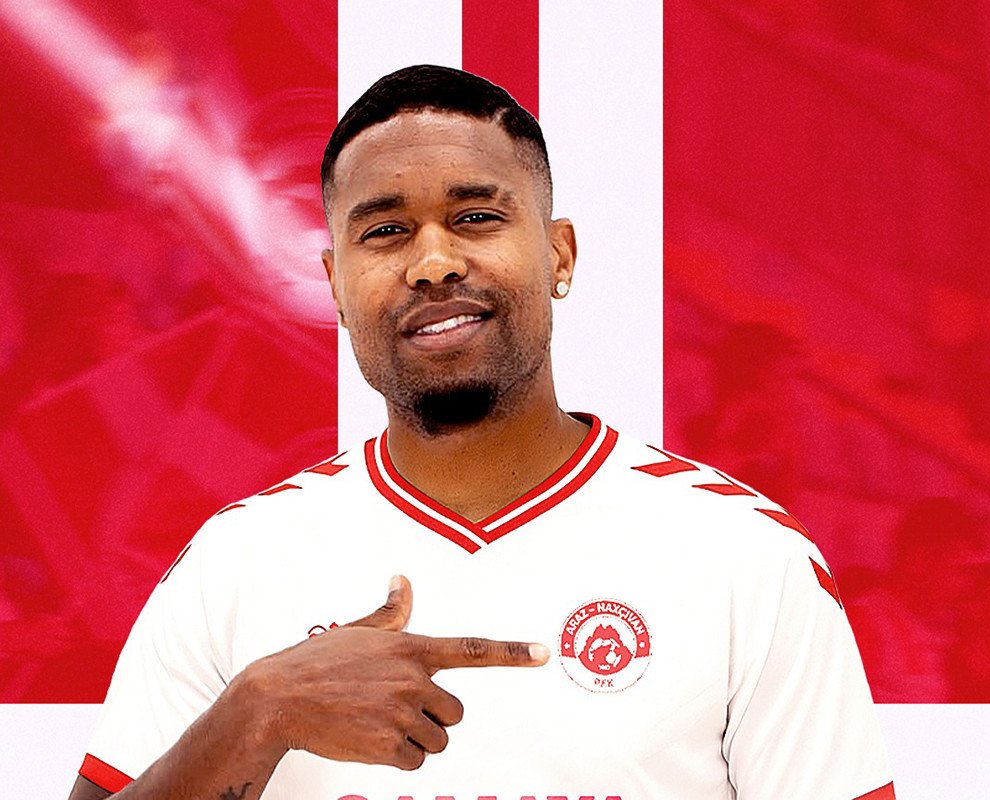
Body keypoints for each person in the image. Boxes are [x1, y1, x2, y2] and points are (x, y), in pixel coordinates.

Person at [69, 65, 894, 800]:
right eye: (385, 231)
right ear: (336, 286)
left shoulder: (742, 555)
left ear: (559, 254)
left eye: (474, 217)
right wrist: (260, 711)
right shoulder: (237, 561)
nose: (433, 262)